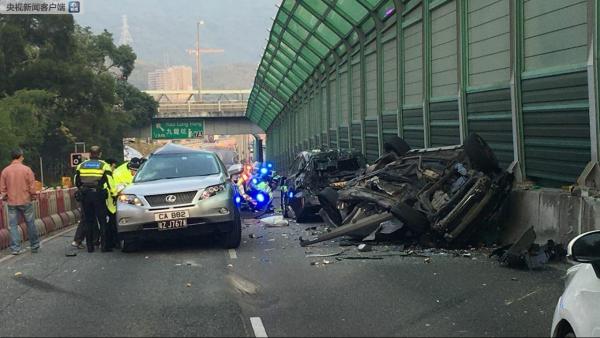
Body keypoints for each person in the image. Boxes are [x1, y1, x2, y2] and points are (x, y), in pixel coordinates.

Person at [73, 146, 114, 252]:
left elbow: (76, 181)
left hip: (85, 195)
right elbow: (110, 181)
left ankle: (90, 247)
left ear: (89, 154)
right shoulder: (104, 165)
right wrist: (114, 194)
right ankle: (104, 247)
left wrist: (82, 189)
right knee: (102, 221)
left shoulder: (81, 165)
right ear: (100, 154)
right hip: (98, 195)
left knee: (88, 221)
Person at [0, 148, 40, 255]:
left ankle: (15, 248)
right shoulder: (27, 170)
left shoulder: (5, 171)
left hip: (12, 202)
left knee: (13, 226)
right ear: (20, 156)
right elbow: (32, 186)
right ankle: (34, 245)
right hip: (26, 200)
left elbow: (2, 189)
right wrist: (33, 196)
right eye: (23, 155)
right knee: (30, 223)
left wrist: (5, 197)